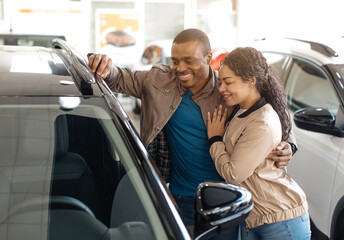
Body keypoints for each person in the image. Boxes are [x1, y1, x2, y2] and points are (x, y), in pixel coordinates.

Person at [88, 28, 295, 239]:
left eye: (189, 60)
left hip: (224, 200)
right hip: (180, 196)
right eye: (175, 61)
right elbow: (119, 78)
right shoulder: (158, 81)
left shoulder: (226, 89)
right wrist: (104, 64)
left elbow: (267, 112)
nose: (180, 68)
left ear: (208, 58)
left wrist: (288, 142)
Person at [207, 47, 310, 239]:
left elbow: (233, 173)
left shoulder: (262, 122)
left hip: (280, 220)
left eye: (228, 82)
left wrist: (215, 139)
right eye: (220, 82)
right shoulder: (241, 109)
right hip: (252, 217)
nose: (221, 89)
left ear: (251, 80)